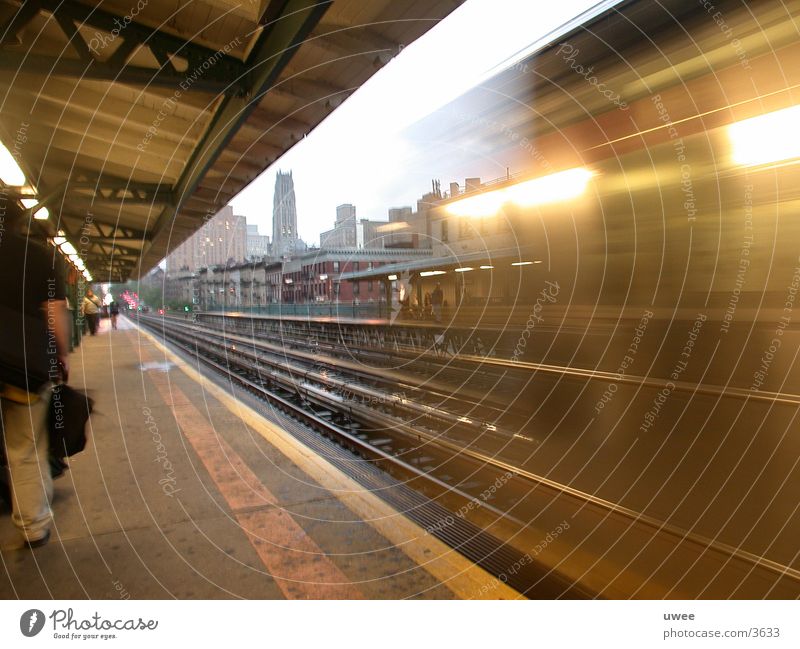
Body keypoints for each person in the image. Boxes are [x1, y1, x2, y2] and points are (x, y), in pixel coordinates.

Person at [0, 207, 70, 548]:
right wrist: (61, 355)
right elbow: (54, 312)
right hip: (21, 367)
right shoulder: (38, 256)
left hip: (20, 366)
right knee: (25, 446)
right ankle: (33, 525)